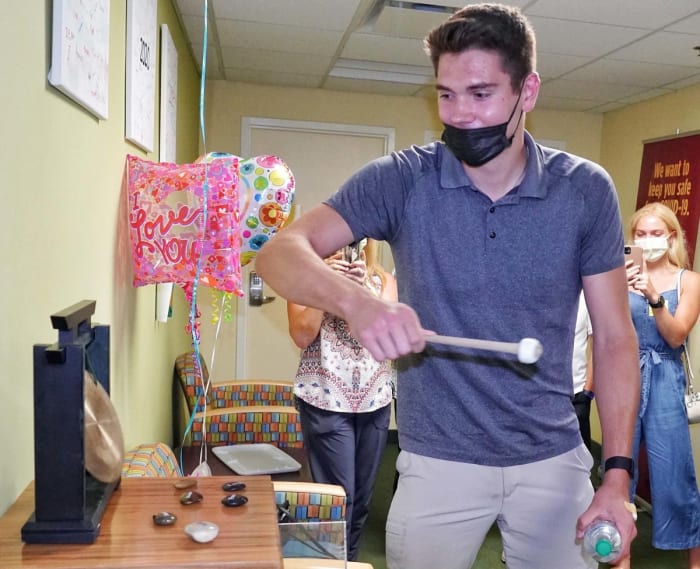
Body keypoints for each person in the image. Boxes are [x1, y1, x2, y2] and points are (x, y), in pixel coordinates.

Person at [256, 4, 640, 568]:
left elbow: (613, 337)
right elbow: (277, 254)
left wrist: (618, 475)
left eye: (480, 94)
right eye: (446, 94)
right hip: (436, 460)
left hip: (552, 457)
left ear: (526, 91)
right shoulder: (402, 179)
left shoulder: (584, 190)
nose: (459, 114)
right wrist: (356, 305)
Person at [287, 238, 397, 561]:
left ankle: (347, 562)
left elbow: (384, 343)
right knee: (338, 499)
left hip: (374, 403)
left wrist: (362, 292)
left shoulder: (384, 283)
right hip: (325, 401)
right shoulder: (304, 278)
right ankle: (328, 564)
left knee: (361, 501)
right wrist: (326, 288)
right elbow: (301, 334)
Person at [619, 202, 700, 569]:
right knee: (620, 471)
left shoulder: (689, 280)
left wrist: (653, 297)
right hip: (623, 376)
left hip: (666, 376)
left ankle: (693, 559)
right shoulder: (619, 276)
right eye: (640, 234)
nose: (647, 240)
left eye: (655, 233)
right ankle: (621, 557)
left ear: (671, 237)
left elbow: (675, 336)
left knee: (675, 473)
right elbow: (607, 332)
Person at [572, 293, 594, 451]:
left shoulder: (586, 296)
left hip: (578, 393)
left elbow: (597, 344)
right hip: (542, 394)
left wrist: (588, 391)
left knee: (581, 461)